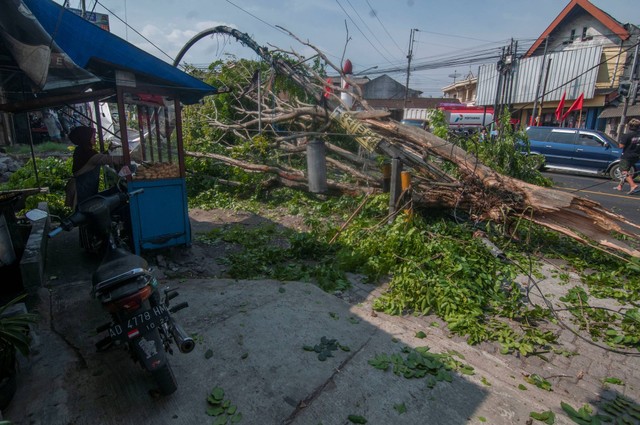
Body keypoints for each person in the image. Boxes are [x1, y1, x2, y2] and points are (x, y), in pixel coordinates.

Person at [69, 126, 124, 207]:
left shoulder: (81, 150)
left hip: (83, 188)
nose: (95, 138)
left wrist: (108, 151)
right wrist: (131, 156)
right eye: (93, 137)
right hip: (83, 191)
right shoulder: (88, 154)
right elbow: (106, 159)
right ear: (85, 138)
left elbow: (98, 157)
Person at [614, 118, 640, 195]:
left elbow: (621, 146)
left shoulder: (627, 135)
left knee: (623, 170)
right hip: (636, 155)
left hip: (627, 155)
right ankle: (620, 186)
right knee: (627, 170)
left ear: (629, 126)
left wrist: (619, 143)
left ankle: (633, 185)